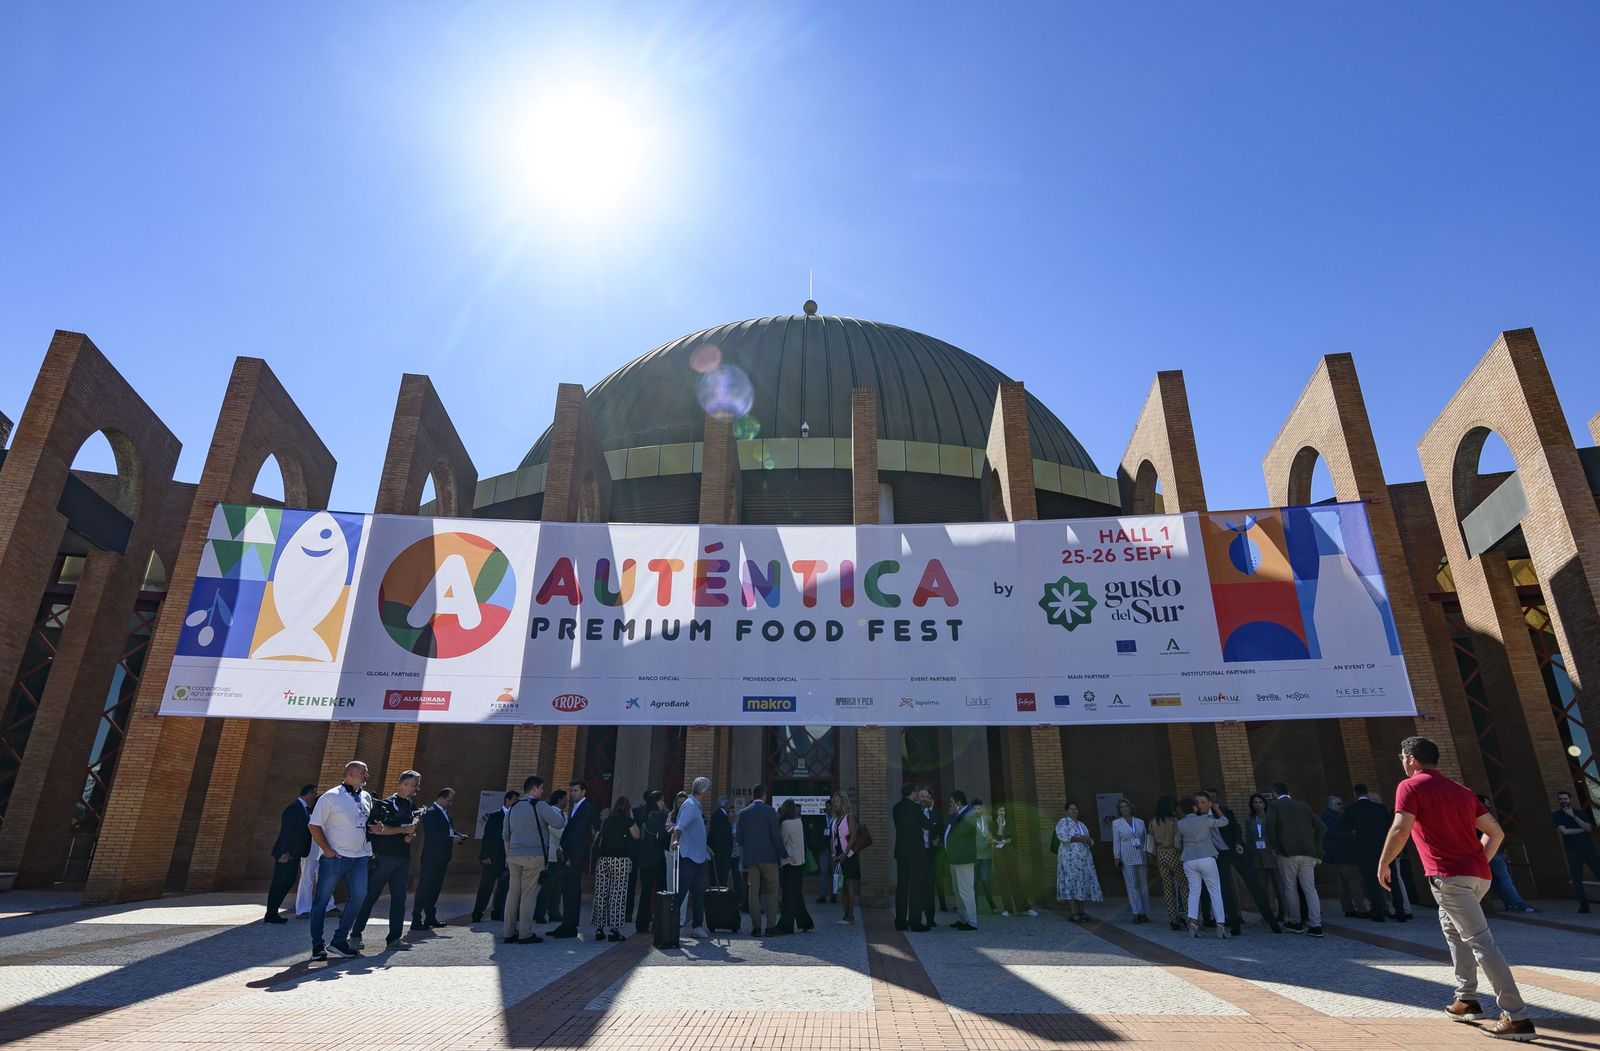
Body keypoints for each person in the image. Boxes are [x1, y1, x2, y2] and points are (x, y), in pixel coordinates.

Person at [1379, 736, 1534, 1041]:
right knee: (1452, 929)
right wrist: (1478, 861)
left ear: (1411, 758)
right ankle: (1467, 1000)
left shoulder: (1410, 785)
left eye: (1402, 756)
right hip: (1477, 876)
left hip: (1449, 877)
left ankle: (1517, 1018)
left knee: (1480, 941)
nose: (1402, 761)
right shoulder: (1461, 791)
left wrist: (1384, 862)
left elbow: (1400, 827)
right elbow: (1496, 832)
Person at [307, 761, 375, 961]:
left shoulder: (366, 796)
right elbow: (314, 825)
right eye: (364, 772)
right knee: (321, 900)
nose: (367, 775)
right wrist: (327, 850)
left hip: (360, 858)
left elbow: (364, 823)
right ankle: (317, 945)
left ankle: (339, 940)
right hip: (335, 858)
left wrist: (375, 830)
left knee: (360, 896)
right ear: (351, 773)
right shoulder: (331, 796)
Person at [350, 769, 422, 952]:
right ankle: (355, 935)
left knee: (399, 899)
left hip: (403, 858)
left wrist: (410, 836)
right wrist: (403, 830)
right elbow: (377, 829)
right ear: (405, 783)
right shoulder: (386, 805)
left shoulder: (413, 808)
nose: (417, 788)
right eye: (415, 784)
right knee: (371, 896)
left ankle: (394, 939)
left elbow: (408, 833)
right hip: (384, 857)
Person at [1207, 788, 1281, 936]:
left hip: (1235, 851)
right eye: (1209, 799)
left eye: (1214, 798)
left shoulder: (1225, 811)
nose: (1213, 801)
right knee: (1225, 889)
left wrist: (1238, 843)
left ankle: (1271, 921)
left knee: (1254, 885)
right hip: (1219, 855)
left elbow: (1235, 828)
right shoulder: (1201, 817)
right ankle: (1235, 924)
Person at [503, 776, 566, 944]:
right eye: (541, 788)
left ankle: (508, 932)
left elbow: (506, 835)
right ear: (534, 789)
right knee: (529, 895)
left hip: (514, 855)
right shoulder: (539, 805)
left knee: (513, 893)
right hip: (534, 855)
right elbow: (559, 823)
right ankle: (525, 933)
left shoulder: (513, 807)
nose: (543, 791)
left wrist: (507, 857)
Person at [1266, 782, 1325, 937]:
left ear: (1274, 793)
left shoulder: (1274, 806)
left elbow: (1270, 827)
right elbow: (1321, 827)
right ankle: (1316, 924)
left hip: (1287, 853)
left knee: (1290, 887)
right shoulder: (1303, 806)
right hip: (1308, 853)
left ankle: (1295, 921)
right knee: (1310, 889)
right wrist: (1316, 846)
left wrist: (1273, 846)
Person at [1174, 793, 1230, 938]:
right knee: (1215, 891)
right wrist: (1216, 809)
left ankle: (1192, 925)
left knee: (1193, 892)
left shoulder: (1180, 824)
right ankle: (1221, 926)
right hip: (1206, 857)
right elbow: (1224, 821)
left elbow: (1177, 844)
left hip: (1189, 860)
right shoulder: (1204, 819)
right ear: (1194, 807)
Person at [414, 788, 465, 931]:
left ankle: (430, 917)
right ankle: (416, 918)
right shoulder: (431, 813)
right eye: (449, 800)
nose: (450, 803)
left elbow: (448, 831)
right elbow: (433, 835)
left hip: (443, 858)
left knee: (435, 888)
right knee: (424, 888)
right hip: (431, 857)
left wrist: (458, 835)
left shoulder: (446, 814)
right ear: (441, 798)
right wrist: (451, 840)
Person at [547, 782, 594, 938]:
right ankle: (566, 924)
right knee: (567, 888)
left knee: (572, 888)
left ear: (583, 791)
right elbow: (569, 829)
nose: (572, 793)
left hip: (576, 854)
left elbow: (577, 830)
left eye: (575, 790)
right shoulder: (575, 807)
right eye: (571, 791)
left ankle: (571, 925)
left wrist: (563, 847)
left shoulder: (586, 807)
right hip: (570, 853)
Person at [736, 784, 784, 935]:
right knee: (772, 890)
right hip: (769, 857)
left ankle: (756, 927)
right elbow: (776, 836)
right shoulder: (770, 811)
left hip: (751, 858)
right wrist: (783, 853)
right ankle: (770, 926)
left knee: (753, 892)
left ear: (753, 795)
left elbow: (739, 838)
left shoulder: (744, 813)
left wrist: (750, 847)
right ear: (764, 795)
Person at [265, 784, 317, 924]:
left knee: (287, 881)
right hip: (286, 854)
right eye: (314, 793)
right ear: (309, 793)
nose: (314, 797)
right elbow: (287, 831)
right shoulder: (294, 808)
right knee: (280, 882)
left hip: (295, 854)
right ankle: (271, 914)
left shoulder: (304, 809)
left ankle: (272, 913)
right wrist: (285, 851)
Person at [1342, 784, 1394, 922]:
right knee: (1391, 881)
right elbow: (1389, 824)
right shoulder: (1380, 808)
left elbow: (1344, 827)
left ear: (1355, 794)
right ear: (1367, 792)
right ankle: (1397, 910)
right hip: (1383, 848)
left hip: (1365, 850)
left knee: (1371, 882)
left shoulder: (1352, 809)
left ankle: (1378, 911)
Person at [591, 793, 638, 942]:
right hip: (621, 861)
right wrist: (631, 817)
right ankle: (614, 930)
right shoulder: (629, 821)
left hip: (603, 860)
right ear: (628, 809)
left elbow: (597, 838)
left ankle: (599, 929)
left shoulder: (607, 821)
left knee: (601, 894)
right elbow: (637, 836)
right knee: (617, 895)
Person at [1479, 795, 1537, 914]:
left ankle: (1510, 903)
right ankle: (1517, 904)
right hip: (1489, 852)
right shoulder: (1482, 816)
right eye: (1487, 803)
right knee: (1504, 878)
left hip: (1484, 852)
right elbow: (1494, 835)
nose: (1490, 805)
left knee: (1496, 879)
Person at [672, 776, 713, 940]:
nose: (709, 792)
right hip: (689, 858)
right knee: (681, 893)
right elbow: (680, 827)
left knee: (698, 894)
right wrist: (676, 840)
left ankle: (697, 926)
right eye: (708, 789)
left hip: (697, 857)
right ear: (702, 790)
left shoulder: (696, 806)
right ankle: (670, 924)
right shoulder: (690, 806)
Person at [474, 790, 520, 923]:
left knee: (503, 886)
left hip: (508, 858)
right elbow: (487, 836)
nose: (517, 803)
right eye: (515, 800)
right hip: (493, 857)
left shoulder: (516, 818)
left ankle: (497, 912)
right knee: (486, 885)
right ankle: (478, 912)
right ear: (508, 800)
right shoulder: (495, 816)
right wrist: (484, 855)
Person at [1553, 790, 1600, 912]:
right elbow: (1564, 832)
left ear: (1570, 799)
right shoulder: (1557, 815)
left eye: (1565, 799)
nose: (1563, 801)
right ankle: (1584, 906)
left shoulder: (1579, 813)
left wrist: (1573, 816)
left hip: (1589, 849)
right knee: (1577, 879)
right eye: (1561, 799)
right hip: (1573, 851)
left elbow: (1589, 828)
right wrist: (1581, 830)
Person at [1055, 801, 1102, 921]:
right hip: (1069, 859)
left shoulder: (1081, 824)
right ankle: (1073, 912)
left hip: (1083, 860)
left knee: (1081, 882)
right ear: (1066, 811)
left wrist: (1089, 840)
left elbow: (1088, 838)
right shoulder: (1063, 822)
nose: (1074, 811)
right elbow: (1064, 837)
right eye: (1071, 809)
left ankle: (1082, 911)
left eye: (1076, 809)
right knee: (1071, 883)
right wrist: (1082, 839)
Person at [773, 799, 815, 934]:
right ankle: (805, 922)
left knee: (788, 896)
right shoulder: (799, 822)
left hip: (789, 863)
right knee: (796, 894)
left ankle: (786, 925)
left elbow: (781, 842)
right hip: (799, 862)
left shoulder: (785, 824)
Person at [1323, 794, 1367, 918]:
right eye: (1338, 804)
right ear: (1330, 805)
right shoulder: (1331, 817)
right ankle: (1361, 908)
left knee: (1343, 882)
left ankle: (1348, 908)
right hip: (1343, 854)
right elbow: (1332, 834)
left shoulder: (1329, 816)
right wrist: (1351, 834)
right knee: (1354, 880)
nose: (1342, 806)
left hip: (1337, 854)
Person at [1242, 793, 1283, 924]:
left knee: (1279, 886)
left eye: (1260, 802)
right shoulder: (1250, 819)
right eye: (1255, 802)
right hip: (1257, 856)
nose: (1257, 805)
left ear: (1265, 804)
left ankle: (1283, 913)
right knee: (1262, 888)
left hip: (1271, 855)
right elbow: (1248, 839)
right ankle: (1266, 915)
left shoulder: (1270, 817)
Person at [991, 804, 1037, 917]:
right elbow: (996, 837)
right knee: (1003, 880)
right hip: (998, 854)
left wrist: (1006, 841)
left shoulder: (1010, 822)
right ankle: (1007, 908)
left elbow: (1014, 838)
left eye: (1003, 811)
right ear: (996, 812)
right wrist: (1001, 826)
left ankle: (1024, 908)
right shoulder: (992, 823)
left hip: (1010, 853)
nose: (1002, 813)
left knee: (1015, 879)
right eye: (1000, 810)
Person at [633, 791, 669, 934]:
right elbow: (663, 838)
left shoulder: (642, 815)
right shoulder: (661, 816)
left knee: (645, 893)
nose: (663, 803)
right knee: (660, 892)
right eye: (661, 801)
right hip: (658, 859)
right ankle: (658, 923)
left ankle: (641, 924)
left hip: (644, 860)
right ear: (656, 802)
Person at [1149, 795, 1188, 930]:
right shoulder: (1174, 821)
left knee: (1167, 887)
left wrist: (1152, 855)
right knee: (1183, 885)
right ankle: (1187, 916)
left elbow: (1150, 839)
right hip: (1174, 853)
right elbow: (1178, 841)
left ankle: (1173, 918)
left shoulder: (1154, 821)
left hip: (1160, 853)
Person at [1109, 799, 1149, 924]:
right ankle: (1136, 912)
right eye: (1122, 807)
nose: (1125, 809)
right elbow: (1116, 841)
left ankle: (1144, 912)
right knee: (1132, 885)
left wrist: (1148, 853)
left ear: (1131, 807)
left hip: (1141, 854)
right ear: (1119, 810)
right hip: (1127, 856)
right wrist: (1117, 856)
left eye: (1126, 806)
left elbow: (1145, 839)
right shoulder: (1116, 823)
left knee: (1143, 884)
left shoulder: (1140, 822)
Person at [892, 782, 925, 931]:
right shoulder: (916, 808)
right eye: (916, 792)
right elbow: (925, 824)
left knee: (901, 886)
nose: (917, 794)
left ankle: (900, 921)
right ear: (912, 792)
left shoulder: (896, 808)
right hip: (915, 852)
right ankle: (915, 921)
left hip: (901, 851)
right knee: (916, 887)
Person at [945, 791, 979, 930]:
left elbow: (958, 832)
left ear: (958, 803)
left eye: (951, 803)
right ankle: (963, 918)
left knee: (966, 891)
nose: (950, 805)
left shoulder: (969, 814)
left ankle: (972, 921)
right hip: (954, 859)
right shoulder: (957, 815)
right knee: (957, 890)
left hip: (963, 859)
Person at [831, 790, 867, 925]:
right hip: (838, 855)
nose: (834, 804)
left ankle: (850, 915)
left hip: (849, 854)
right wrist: (834, 853)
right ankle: (844, 914)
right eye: (834, 801)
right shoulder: (835, 818)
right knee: (841, 886)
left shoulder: (849, 816)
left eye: (837, 802)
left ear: (843, 802)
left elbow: (853, 836)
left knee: (849, 884)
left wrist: (845, 854)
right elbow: (832, 837)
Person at [534, 788, 567, 923]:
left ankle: (554, 912)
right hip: (552, 855)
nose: (567, 800)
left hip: (562, 855)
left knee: (558, 886)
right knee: (547, 886)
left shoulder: (564, 814)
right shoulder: (550, 812)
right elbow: (558, 831)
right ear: (559, 799)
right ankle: (540, 913)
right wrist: (570, 837)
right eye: (565, 798)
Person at [917, 788, 942, 927]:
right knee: (917, 886)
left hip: (930, 855)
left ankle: (930, 918)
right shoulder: (913, 815)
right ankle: (917, 916)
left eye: (927, 796)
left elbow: (941, 833)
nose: (925, 799)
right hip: (917, 855)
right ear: (917, 798)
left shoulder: (936, 815)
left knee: (929, 887)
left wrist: (938, 840)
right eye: (922, 796)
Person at [972, 800, 1000, 915]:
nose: (977, 811)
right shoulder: (969, 821)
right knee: (972, 883)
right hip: (973, 856)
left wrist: (991, 838)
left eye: (978, 809)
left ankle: (991, 904)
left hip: (985, 856)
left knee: (985, 880)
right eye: (975, 809)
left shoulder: (988, 819)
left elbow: (996, 831)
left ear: (982, 809)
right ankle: (974, 907)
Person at [709, 795, 735, 890]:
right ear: (726, 804)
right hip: (720, 854)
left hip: (722, 854)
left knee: (722, 877)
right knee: (719, 877)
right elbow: (719, 836)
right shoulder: (719, 816)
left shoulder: (722, 816)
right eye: (729, 804)